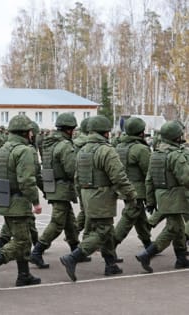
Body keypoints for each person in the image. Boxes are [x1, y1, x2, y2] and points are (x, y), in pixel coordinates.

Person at [60, 115, 137, 282]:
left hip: (88, 196)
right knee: (103, 231)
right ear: (106, 133)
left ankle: (110, 264)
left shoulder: (82, 150)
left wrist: (82, 199)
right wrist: (130, 195)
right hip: (102, 196)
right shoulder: (106, 150)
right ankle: (73, 257)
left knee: (106, 231)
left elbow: (77, 178)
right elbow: (118, 177)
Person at [0, 114, 42, 291]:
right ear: (25, 132)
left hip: (5, 200)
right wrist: (35, 201)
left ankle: (24, 275)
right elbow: (26, 180)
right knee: (22, 241)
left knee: (20, 238)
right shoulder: (25, 150)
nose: (32, 134)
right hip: (18, 202)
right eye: (30, 131)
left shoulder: (3, 149)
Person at [30, 113, 87, 269]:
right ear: (69, 130)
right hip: (62, 187)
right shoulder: (65, 145)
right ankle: (37, 251)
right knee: (57, 223)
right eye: (73, 130)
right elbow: (71, 169)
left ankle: (76, 250)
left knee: (69, 221)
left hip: (52, 184)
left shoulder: (49, 143)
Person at [136, 121, 189, 272]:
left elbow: (149, 180)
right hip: (175, 197)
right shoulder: (175, 155)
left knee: (178, 228)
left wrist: (151, 201)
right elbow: (186, 178)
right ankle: (147, 254)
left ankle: (181, 258)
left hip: (163, 197)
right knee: (173, 228)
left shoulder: (156, 155)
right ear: (176, 137)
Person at [113, 117, 152, 258]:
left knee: (139, 217)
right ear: (141, 132)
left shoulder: (119, 146)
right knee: (129, 217)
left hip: (124, 188)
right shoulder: (141, 149)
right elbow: (149, 172)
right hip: (137, 190)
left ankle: (148, 244)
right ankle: (111, 246)